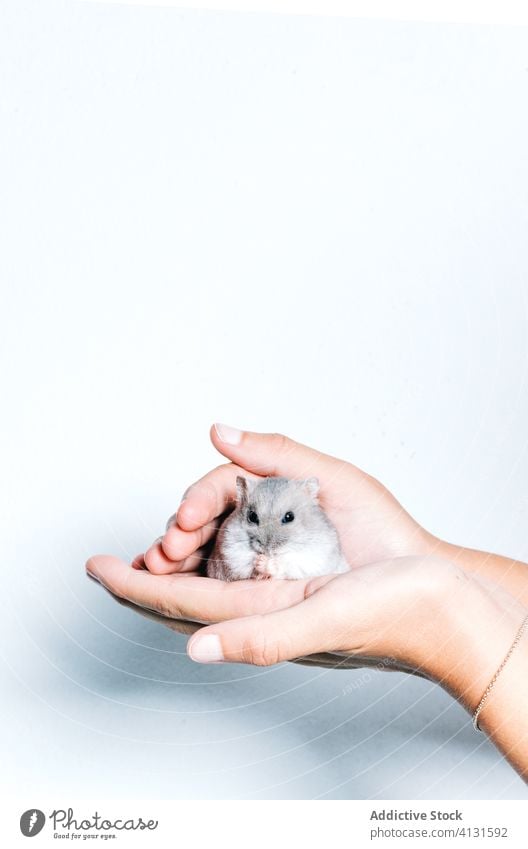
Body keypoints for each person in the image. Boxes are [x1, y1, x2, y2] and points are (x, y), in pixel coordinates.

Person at [86, 424, 528, 780]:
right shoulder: (237, 529)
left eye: (287, 519)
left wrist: (443, 622)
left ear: (308, 508)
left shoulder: (320, 538)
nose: (267, 536)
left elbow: (316, 564)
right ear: (243, 507)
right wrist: (427, 558)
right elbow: (236, 556)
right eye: (255, 518)